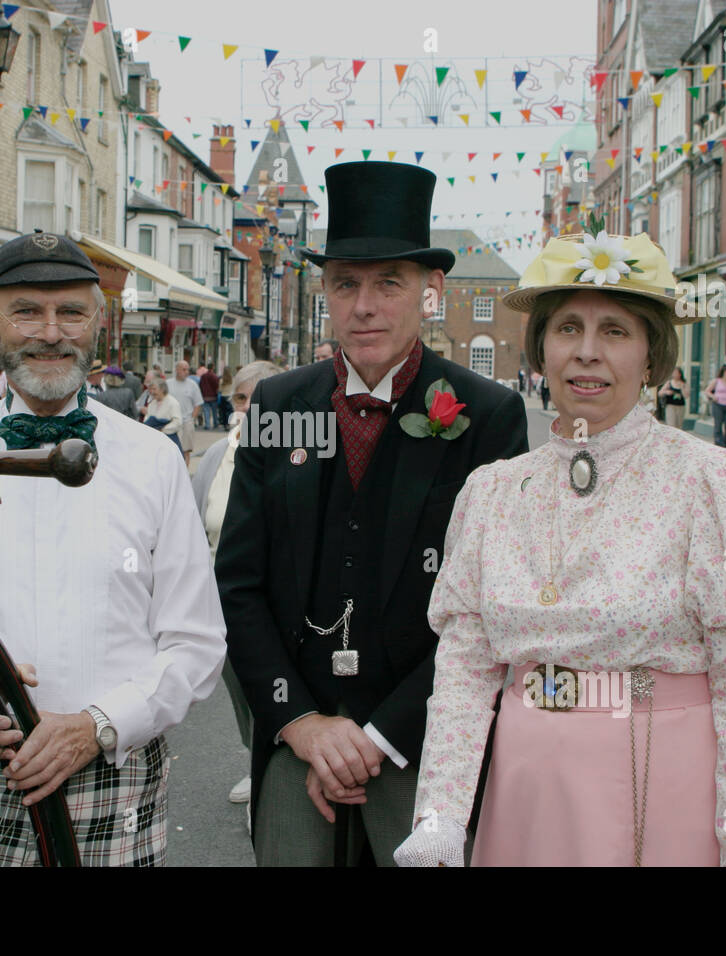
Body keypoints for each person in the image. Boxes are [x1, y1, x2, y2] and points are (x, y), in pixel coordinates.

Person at [393, 230, 726, 868]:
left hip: (666, 794)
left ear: (653, 356)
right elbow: (463, 676)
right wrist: (440, 814)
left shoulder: (711, 485)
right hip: (527, 799)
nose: (587, 353)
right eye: (568, 328)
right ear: (541, 348)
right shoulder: (491, 492)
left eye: (617, 332)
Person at [0, 230, 226, 867]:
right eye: (27, 309)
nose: (51, 332)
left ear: (99, 323)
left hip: (114, 781)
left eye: (71, 312)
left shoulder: (152, 461)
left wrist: (96, 726)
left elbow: (194, 644)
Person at [216, 162, 529, 867]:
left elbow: (491, 605)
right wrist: (297, 721)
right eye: (346, 283)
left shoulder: (484, 417)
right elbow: (240, 580)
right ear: (324, 291)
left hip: (423, 737)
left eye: (389, 282)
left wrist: (382, 734)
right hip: (301, 731)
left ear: (430, 289)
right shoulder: (282, 407)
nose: (365, 305)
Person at [190, 360, 283, 807]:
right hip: (219, 602)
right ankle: (255, 758)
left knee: (271, 687)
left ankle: (275, 773)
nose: (249, 407)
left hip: (274, 601)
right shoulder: (216, 455)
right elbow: (191, 527)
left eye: (259, 396)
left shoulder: (297, 448)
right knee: (239, 693)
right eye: (242, 398)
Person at [168, 361, 202, 465]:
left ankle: (184, 474)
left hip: (187, 421)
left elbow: (198, 403)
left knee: (186, 450)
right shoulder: (168, 384)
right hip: (171, 421)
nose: (186, 372)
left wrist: (192, 419)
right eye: (184, 369)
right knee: (171, 449)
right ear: (177, 370)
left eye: (187, 369)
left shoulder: (192, 385)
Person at [704, 363, 726, 447]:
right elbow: (707, 391)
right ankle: (719, 442)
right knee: (718, 425)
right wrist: (713, 396)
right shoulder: (717, 381)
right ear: (725, 372)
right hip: (718, 405)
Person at [143, 379, 182, 451]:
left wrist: (162, 430)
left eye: (154, 389)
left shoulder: (172, 403)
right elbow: (147, 418)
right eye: (150, 390)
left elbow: (177, 422)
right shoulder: (152, 404)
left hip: (169, 438)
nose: (152, 392)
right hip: (153, 439)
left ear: (162, 389)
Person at [198, 363, 220, 429]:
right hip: (213, 396)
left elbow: (200, 385)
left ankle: (207, 425)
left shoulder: (203, 376)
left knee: (206, 411)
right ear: (213, 367)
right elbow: (217, 386)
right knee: (214, 411)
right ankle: (215, 423)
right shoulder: (214, 376)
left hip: (205, 396)